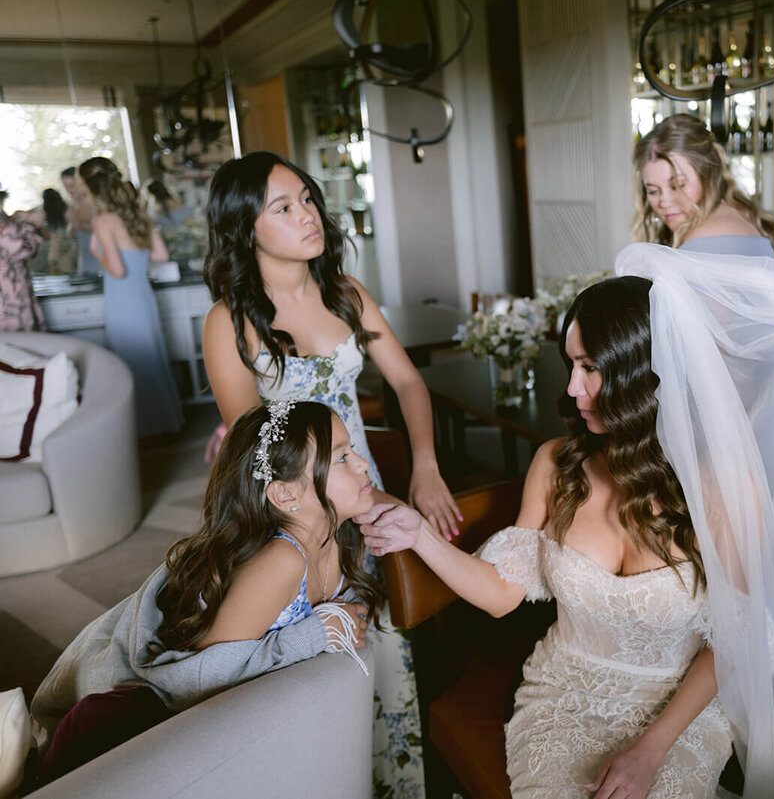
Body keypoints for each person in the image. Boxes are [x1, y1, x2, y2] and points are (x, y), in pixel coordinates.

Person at [360, 247, 774, 798]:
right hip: (563, 699)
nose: (571, 389)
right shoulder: (556, 466)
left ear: (642, 371)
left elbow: (741, 640)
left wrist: (649, 751)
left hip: (678, 713)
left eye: (590, 368)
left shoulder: (720, 489)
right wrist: (417, 534)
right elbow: (500, 595)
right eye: (571, 367)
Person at [200, 150, 457, 797]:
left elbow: (407, 380)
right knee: (315, 667)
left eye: (307, 199)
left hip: (362, 489)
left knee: (386, 651)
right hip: (296, 511)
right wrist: (334, 511)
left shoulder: (346, 293)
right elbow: (260, 452)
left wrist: (425, 467)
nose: (307, 215)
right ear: (245, 227)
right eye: (282, 208)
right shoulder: (230, 321)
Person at [31, 401, 379, 775]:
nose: (362, 463)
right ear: (285, 495)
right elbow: (203, 680)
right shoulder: (281, 560)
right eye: (341, 457)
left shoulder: (343, 535)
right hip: (132, 692)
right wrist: (312, 635)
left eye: (352, 449)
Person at [80, 156, 184, 438]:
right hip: (143, 297)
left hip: (122, 300)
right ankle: (164, 423)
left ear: (91, 188)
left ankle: (141, 429)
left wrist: (96, 248)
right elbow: (160, 255)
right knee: (152, 356)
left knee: (132, 359)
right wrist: (134, 250)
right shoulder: (138, 214)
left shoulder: (104, 221)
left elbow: (116, 268)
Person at [632, 113, 774, 262]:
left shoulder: (703, 237)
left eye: (678, 186)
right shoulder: (738, 215)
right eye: (653, 191)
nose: (664, 202)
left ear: (707, 173)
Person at [0, 184, 46, 332]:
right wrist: (30, 224)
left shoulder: (7, 222)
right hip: (9, 298)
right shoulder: (5, 225)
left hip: (13, 293)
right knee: (18, 345)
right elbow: (25, 250)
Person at [26, 188, 79, 276]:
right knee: (67, 270)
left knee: (52, 271)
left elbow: (44, 232)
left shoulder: (42, 211)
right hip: (66, 245)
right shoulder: (66, 208)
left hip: (51, 246)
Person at [61, 166, 102, 277]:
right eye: (66, 187)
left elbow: (103, 229)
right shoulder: (71, 207)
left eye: (72, 185)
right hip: (83, 259)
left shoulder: (95, 203)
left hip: (100, 258)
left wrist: (80, 225)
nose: (70, 190)